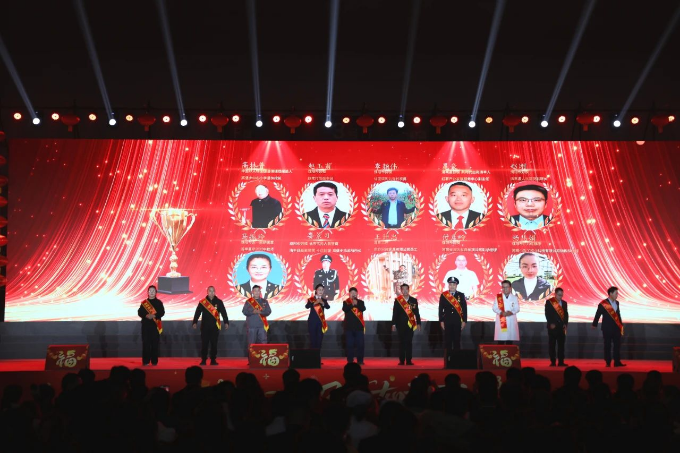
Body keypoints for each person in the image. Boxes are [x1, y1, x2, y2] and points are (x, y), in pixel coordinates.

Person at [192, 286, 229, 366]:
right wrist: (195, 322)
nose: (211, 292)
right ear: (207, 292)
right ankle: (203, 360)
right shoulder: (203, 302)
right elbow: (197, 312)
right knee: (204, 344)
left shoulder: (219, 302)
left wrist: (226, 322)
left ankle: (213, 360)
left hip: (214, 327)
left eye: (213, 291)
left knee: (214, 344)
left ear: (215, 292)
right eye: (210, 291)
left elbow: (224, 312)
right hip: (204, 327)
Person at [592, 286, 626, 367]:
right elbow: (598, 314)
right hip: (607, 328)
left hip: (616, 328)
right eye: (616, 293)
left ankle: (617, 362)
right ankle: (608, 362)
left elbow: (618, 315)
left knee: (617, 345)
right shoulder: (603, 303)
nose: (617, 295)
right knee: (607, 345)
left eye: (617, 293)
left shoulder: (617, 303)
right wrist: (594, 324)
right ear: (610, 293)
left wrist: (621, 325)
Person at [391, 283, 421, 365]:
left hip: (410, 324)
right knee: (401, 342)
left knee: (409, 342)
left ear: (408, 290)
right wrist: (393, 324)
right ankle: (401, 360)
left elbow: (417, 313)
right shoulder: (398, 301)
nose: (404, 291)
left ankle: (408, 360)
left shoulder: (413, 300)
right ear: (401, 290)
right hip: (400, 325)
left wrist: (418, 323)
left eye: (406, 289)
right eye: (403, 289)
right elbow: (395, 313)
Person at [138, 285, 165, 366]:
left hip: (155, 326)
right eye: (150, 291)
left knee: (155, 344)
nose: (152, 292)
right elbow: (140, 312)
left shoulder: (159, 302)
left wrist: (154, 315)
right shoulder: (144, 303)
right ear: (148, 292)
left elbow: (162, 312)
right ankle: (146, 361)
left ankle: (154, 361)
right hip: (146, 326)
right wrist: (146, 315)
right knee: (146, 344)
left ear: (156, 292)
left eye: (153, 291)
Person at [439, 277, 467, 351]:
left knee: (456, 340)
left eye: (453, 285)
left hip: (457, 321)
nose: (452, 286)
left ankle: (456, 357)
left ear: (456, 285)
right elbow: (440, 309)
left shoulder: (461, 295)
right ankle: (448, 357)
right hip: (447, 321)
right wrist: (441, 320)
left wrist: (464, 321)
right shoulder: (444, 295)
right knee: (447, 340)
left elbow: (464, 309)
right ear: (448, 285)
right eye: (450, 284)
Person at [545, 287, 569, 367]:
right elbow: (547, 314)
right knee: (552, 345)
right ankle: (553, 362)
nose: (560, 297)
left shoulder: (564, 303)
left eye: (561, 295)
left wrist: (565, 323)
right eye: (559, 295)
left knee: (561, 346)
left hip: (561, 328)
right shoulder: (549, 302)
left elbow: (566, 314)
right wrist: (551, 323)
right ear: (555, 294)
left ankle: (561, 362)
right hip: (553, 327)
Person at [342, 287, 366, 364]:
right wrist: (352, 304)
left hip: (359, 328)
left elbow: (363, 308)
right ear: (349, 294)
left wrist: (356, 304)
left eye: (355, 293)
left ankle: (360, 360)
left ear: (357, 294)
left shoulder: (361, 302)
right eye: (352, 293)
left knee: (360, 345)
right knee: (349, 345)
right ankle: (350, 361)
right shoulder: (346, 302)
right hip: (349, 328)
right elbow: (345, 309)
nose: (353, 294)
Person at [493, 280, 519, 345]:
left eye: (507, 287)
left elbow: (517, 308)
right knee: (501, 340)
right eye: (503, 287)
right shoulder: (498, 297)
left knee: (509, 341)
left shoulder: (514, 298)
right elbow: (494, 308)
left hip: (511, 320)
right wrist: (501, 312)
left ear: (510, 288)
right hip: (502, 320)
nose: (505, 289)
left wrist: (511, 312)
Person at [305, 284, 330, 350]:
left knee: (319, 340)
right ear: (316, 290)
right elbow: (307, 306)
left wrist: (322, 303)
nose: (321, 291)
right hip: (312, 322)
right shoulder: (311, 299)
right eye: (319, 290)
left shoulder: (324, 300)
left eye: (322, 290)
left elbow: (328, 307)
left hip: (320, 322)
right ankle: (313, 355)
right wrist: (315, 303)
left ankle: (318, 355)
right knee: (312, 340)